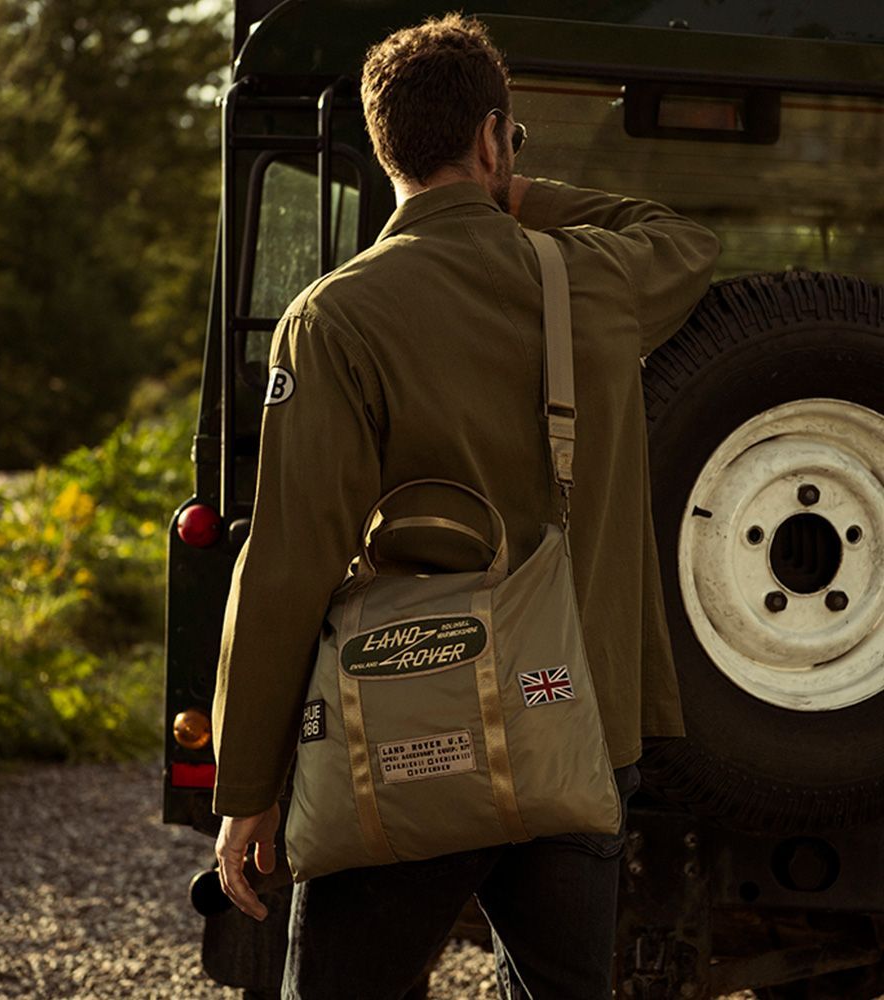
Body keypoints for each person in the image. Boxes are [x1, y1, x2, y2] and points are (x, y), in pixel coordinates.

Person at [211, 12, 720, 998]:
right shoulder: (591, 278)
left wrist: (250, 789)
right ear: (491, 138)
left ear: (381, 148)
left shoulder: (334, 315)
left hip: (406, 730)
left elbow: (287, 563)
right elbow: (682, 239)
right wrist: (514, 191)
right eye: (506, 137)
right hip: (574, 728)